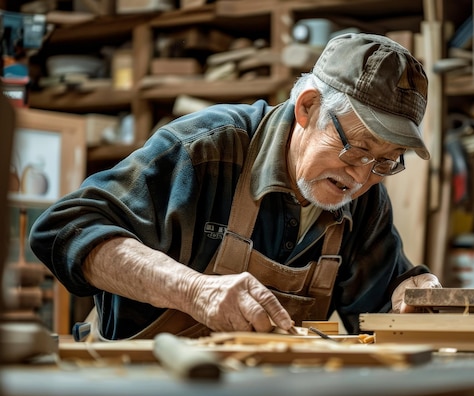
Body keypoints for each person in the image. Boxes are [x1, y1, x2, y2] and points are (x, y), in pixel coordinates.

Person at [29, 33, 441, 341]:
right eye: (356, 148)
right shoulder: (204, 150)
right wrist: (193, 290)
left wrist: (411, 296)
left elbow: (379, 311)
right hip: (139, 390)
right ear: (308, 107)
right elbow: (65, 228)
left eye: (386, 161)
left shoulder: (363, 197)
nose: (361, 176)